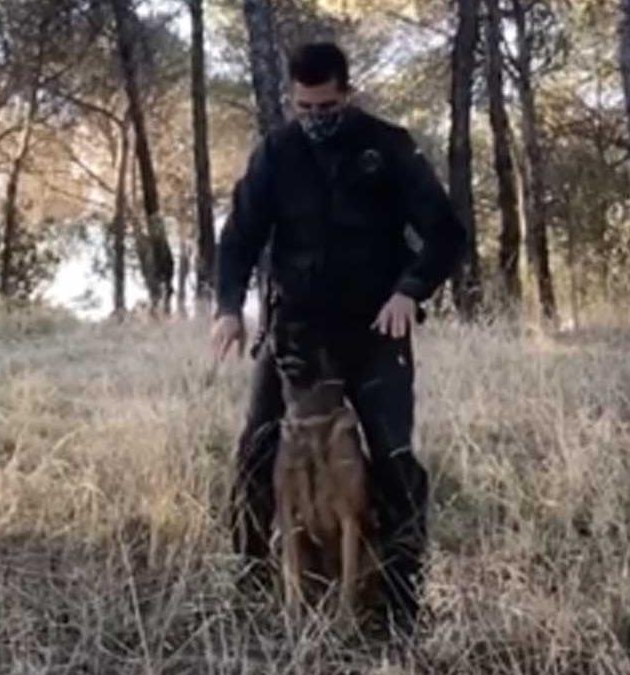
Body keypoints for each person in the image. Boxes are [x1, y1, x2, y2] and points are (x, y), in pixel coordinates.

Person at [210, 42, 468, 633]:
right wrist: (228, 307)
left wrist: (410, 289)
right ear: (291, 100)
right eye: (304, 107)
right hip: (296, 330)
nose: (315, 119)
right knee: (256, 451)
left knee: (396, 462)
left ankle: (400, 608)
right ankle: (252, 591)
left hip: (374, 327)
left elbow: (446, 233)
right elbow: (240, 238)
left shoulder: (388, 146)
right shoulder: (277, 152)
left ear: (346, 94)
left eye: (326, 107)